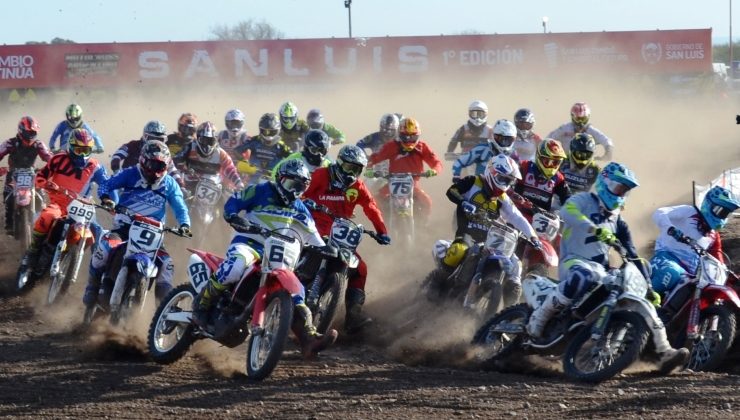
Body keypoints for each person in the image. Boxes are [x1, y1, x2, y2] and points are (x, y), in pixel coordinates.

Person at [525, 162, 689, 372]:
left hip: (600, 270)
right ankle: (539, 318)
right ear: (606, 183)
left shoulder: (618, 223)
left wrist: (648, 289)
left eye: (625, 190)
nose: (622, 193)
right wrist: (593, 228)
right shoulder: (584, 200)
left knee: (640, 296)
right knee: (586, 275)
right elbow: (567, 212)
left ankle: (665, 351)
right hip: (573, 261)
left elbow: (632, 255)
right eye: (620, 187)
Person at [192, 159, 338, 358]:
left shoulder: (301, 208)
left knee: (297, 291)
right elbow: (235, 201)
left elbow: (313, 236)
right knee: (235, 267)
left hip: (279, 253)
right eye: (290, 184)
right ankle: (203, 302)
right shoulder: (260, 190)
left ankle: (310, 337)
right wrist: (233, 215)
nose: (294, 191)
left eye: (300, 187)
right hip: (249, 243)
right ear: (280, 179)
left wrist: (326, 248)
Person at [83, 140, 191, 308]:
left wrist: (184, 224)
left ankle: (164, 313)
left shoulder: (170, 184)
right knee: (105, 247)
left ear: (167, 165)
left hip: (153, 234)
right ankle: (92, 286)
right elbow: (106, 185)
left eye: (160, 166)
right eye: (151, 164)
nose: (155, 170)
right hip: (125, 226)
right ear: (142, 160)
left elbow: (180, 206)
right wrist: (106, 199)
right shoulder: (130, 173)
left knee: (167, 266)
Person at [302, 145, 391, 333]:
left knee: (360, 269)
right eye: (350, 168)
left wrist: (382, 231)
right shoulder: (320, 175)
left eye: (357, 170)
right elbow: (301, 191)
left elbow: (371, 206)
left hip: (340, 234)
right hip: (311, 229)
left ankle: (353, 316)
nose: (353, 174)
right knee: (291, 250)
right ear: (340, 164)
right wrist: (302, 201)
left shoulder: (357, 186)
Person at [439, 154, 541, 307]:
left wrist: (533, 237)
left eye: (509, 181)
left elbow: (517, 217)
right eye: (503, 179)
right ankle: (437, 284)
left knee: (516, 264)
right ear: (492, 173)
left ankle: (510, 309)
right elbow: (452, 191)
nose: (505, 184)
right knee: (458, 250)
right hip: (468, 233)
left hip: (491, 240)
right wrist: (463, 202)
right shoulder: (473, 181)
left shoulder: (503, 199)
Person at [18, 128, 111, 271]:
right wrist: (46, 184)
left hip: (82, 208)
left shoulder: (96, 167)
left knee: (97, 232)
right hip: (58, 204)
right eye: (79, 150)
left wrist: (110, 200)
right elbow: (41, 177)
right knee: (48, 216)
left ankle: (97, 273)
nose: (83, 155)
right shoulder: (58, 159)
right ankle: (33, 251)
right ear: (71, 147)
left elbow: (107, 185)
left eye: (86, 151)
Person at [650, 186, 740, 297]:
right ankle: (641, 301)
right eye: (720, 211)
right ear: (709, 205)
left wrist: (733, 278)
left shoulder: (713, 236)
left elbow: (719, 262)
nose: (722, 216)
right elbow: (659, 212)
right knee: (671, 273)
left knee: (704, 292)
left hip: (690, 274)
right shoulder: (689, 212)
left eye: (726, 213)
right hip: (664, 259)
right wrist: (670, 229)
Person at [366, 117, 442, 225]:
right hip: (392, 182)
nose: (409, 140)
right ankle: (379, 223)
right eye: (405, 136)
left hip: (412, 183)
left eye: (413, 136)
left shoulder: (422, 147)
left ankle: (423, 224)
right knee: (374, 200)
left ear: (418, 135)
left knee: (427, 202)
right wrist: (369, 168)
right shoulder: (391, 146)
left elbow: (437, 163)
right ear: (400, 135)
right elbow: (375, 158)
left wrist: (434, 171)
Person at [0, 116, 53, 234]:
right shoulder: (10, 143)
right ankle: (9, 224)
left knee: (41, 197)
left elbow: (50, 158)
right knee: (8, 197)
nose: (31, 135)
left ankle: (42, 223)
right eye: (29, 132)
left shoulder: (38, 144)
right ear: (21, 130)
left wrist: (54, 167)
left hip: (32, 174)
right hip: (13, 174)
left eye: (33, 132)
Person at [174, 121, 244, 194]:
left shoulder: (220, 153)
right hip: (190, 185)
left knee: (229, 198)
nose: (207, 145)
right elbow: (175, 162)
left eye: (211, 141)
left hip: (215, 188)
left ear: (216, 141)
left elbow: (230, 169)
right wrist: (183, 169)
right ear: (198, 138)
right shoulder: (189, 147)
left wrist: (239, 184)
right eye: (204, 140)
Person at [111, 120, 184, 186]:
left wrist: (181, 185)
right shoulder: (133, 145)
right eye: (152, 138)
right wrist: (117, 173)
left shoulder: (165, 153)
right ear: (144, 136)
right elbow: (116, 156)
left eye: (160, 139)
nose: (156, 142)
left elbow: (172, 169)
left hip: (154, 186)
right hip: (128, 184)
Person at [511, 139, 571, 219]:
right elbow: (507, 184)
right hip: (516, 215)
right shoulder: (524, 167)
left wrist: (564, 211)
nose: (551, 166)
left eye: (555, 163)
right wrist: (515, 198)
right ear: (539, 157)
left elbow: (568, 197)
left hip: (541, 221)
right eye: (548, 162)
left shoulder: (558, 178)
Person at [452, 119, 518, 183]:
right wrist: (456, 176)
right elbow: (459, 161)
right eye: (501, 138)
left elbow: (519, 176)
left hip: (503, 190)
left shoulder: (514, 155)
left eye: (508, 139)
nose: (504, 142)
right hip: (480, 187)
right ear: (494, 136)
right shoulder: (482, 148)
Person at [236, 113, 293, 184]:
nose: (268, 135)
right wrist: (244, 162)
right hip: (253, 179)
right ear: (260, 130)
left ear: (277, 131)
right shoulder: (254, 140)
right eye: (265, 131)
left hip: (274, 180)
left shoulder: (282, 147)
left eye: (272, 132)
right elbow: (237, 151)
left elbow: (294, 160)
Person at [546, 102, 613, 161]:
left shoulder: (591, 130)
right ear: (572, 117)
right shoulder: (565, 128)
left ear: (588, 117)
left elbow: (607, 141)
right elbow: (549, 139)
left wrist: (607, 154)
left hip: (587, 163)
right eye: (578, 119)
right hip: (566, 161)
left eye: (583, 119)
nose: (581, 122)